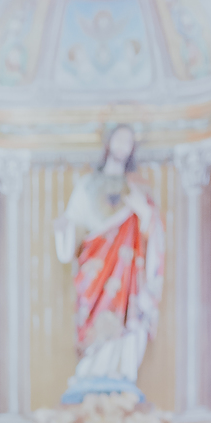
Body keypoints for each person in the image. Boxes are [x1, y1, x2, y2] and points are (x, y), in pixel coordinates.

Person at [53, 123, 165, 401]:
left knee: (126, 316)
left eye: (129, 141)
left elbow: (154, 230)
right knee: (94, 312)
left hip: (127, 268)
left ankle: (119, 370)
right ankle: (92, 370)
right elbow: (72, 224)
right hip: (96, 262)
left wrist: (144, 214)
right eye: (119, 139)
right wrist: (64, 230)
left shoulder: (136, 188)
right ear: (108, 143)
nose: (122, 146)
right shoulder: (88, 184)